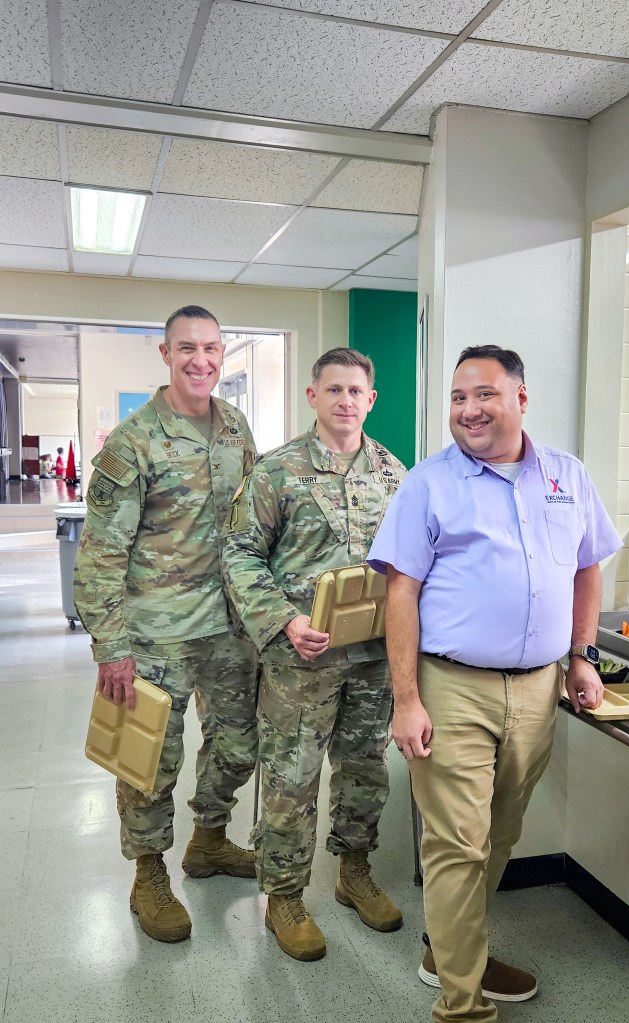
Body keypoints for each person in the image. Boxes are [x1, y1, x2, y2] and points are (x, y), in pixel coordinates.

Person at [367, 345, 622, 1023]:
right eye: (458, 397)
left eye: (484, 394)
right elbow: (402, 591)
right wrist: (407, 697)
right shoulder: (428, 483)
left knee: (500, 835)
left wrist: (583, 656)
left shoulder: (566, 476)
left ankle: (452, 954)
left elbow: (586, 568)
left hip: (539, 691)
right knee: (456, 844)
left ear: (520, 398)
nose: (469, 409)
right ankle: (462, 1004)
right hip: (452, 686)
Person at [73, 305, 259, 944]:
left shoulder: (235, 427)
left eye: (211, 347)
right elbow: (101, 551)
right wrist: (111, 646)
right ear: (165, 353)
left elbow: (253, 524)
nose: (201, 360)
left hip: (231, 627)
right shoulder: (134, 440)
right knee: (149, 755)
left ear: (223, 352)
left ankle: (208, 841)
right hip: (155, 632)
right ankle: (148, 872)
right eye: (187, 348)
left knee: (238, 742)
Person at [222, 347, 406, 963]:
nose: (345, 401)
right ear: (313, 397)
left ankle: (354, 870)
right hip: (302, 657)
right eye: (333, 390)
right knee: (290, 779)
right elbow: (240, 554)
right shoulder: (278, 472)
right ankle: (285, 896)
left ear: (370, 399)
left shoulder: (393, 474)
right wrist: (284, 620)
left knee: (365, 771)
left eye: (356, 391)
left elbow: (410, 564)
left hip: (374, 658)